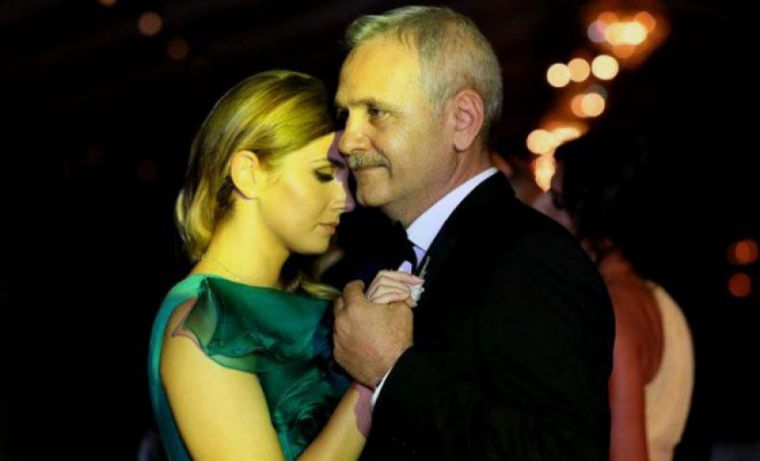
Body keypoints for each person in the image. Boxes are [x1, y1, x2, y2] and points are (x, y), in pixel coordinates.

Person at [332, 6, 615, 460]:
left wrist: (391, 371)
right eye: (346, 114)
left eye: (376, 112)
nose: (348, 140)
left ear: (462, 120)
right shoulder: (425, 248)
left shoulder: (530, 258)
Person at [147, 70, 373, 461]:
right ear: (248, 173)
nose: (347, 201)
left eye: (347, 178)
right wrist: (370, 378)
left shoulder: (315, 300)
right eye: (323, 174)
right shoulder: (204, 322)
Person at [547, 126, 694, 461]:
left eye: (557, 200)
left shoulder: (610, 312)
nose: (544, 212)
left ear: (590, 212)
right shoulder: (659, 301)